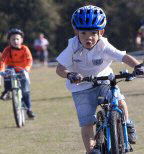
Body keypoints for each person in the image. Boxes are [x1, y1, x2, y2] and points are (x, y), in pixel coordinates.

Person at [56, 5, 144, 154]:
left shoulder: (104, 45)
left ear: (101, 32)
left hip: (104, 80)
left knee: (119, 100)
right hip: (81, 87)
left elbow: (124, 57)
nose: (88, 37)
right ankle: (91, 151)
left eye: (93, 32)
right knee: (87, 122)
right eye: (83, 32)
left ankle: (127, 124)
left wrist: (138, 66)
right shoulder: (72, 46)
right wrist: (70, 75)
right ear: (76, 32)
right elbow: (60, 69)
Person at [0, 28, 35, 118]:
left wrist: (27, 68)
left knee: (25, 91)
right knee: (7, 74)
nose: (15, 41)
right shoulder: (7, 50)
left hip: (22, 70)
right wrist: (1, 70)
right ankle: (7, 91)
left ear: (21, 40)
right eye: (13, 39)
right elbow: (2, 60)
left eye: (17, 39)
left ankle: (29, 109)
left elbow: (29, 59)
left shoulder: (25, 49)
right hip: (11, 68)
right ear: (9, 41)